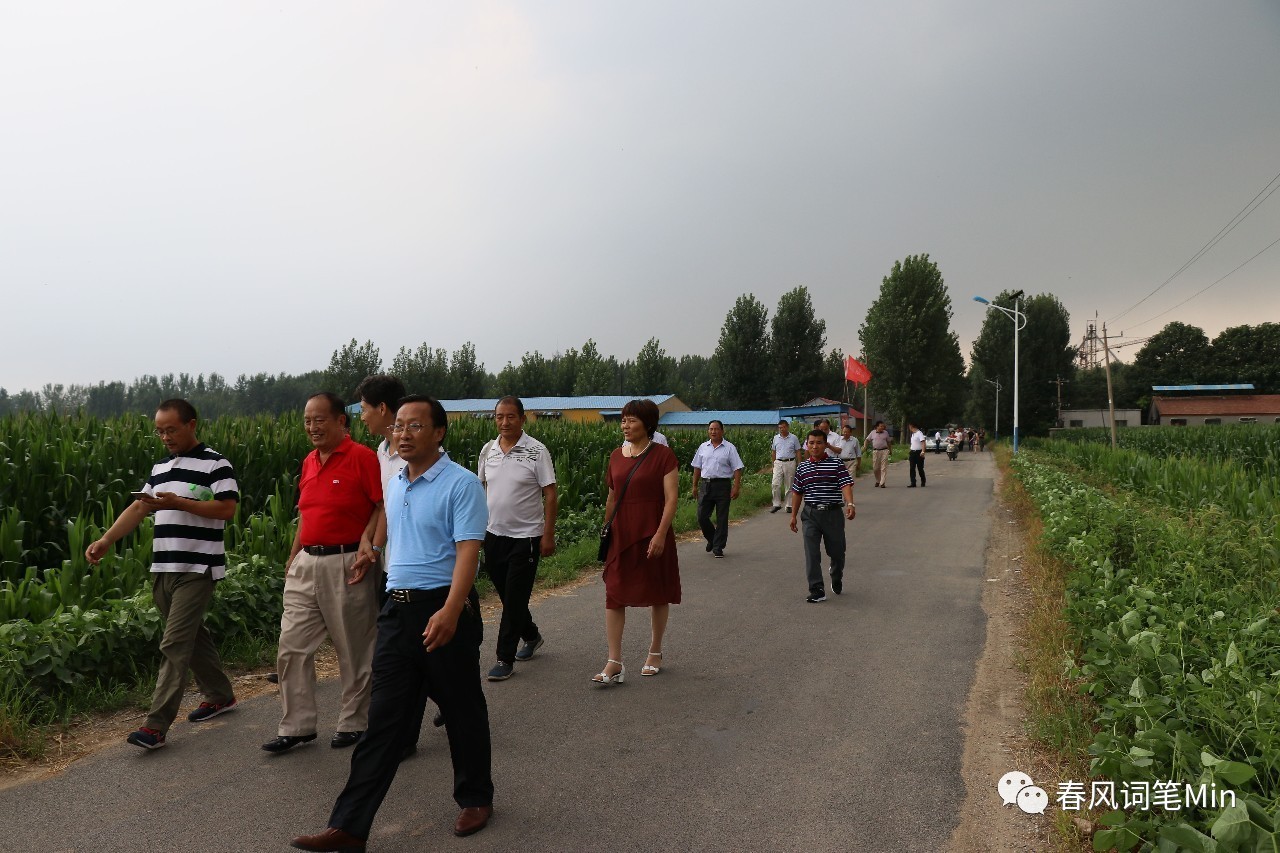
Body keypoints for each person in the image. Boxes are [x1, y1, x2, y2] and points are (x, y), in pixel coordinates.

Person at [291, 395, 494, 850]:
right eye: (399, 426)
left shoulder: (461, 485)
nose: (403, 434)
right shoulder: (398, 481)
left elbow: (468, 552)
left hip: (443, 608)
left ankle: (476, 798)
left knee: (461, 709)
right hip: (396, 609)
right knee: (382, 721)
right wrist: (372, 553)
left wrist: (451, 609)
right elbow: (393, 531)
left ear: (439, 432)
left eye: (415, 426)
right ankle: (349, 826)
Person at [86, 399, 239, 750]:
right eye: (160, 431)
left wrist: (179, 503)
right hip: (164, 567)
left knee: (173, 643)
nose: (165, 437)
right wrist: (107, 539)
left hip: (198, 567)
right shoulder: (161, 467)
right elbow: (141, 505)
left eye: (171, 429)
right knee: (190, 636)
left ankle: (155, 726)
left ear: (191, 425)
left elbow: (227, 509)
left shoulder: (216, 463)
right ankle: (219, 695)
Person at [265, 393, 382, 754]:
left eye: (319, 420)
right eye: (307, 421)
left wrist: (370, 546)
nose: (312, 427)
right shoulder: (309, 461)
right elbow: (306, 512)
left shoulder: (362, 458)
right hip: (306, 563)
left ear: (340, 422)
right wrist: (294, 552)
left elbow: (382, 506)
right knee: (292, 645)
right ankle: (297, 725)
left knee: (354, 648)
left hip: (347, 562)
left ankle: (355, 721)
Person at [593, 399, 680, 686]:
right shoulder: (616, 455)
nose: (625, 425)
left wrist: (659, 534)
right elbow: (612, 496)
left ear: (647, 423)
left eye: (631, 420)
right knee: (614, 593)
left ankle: (655, 652)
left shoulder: (663, 455)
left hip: (651, 530)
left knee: (657, 591)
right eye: (623, 420)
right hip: (622, 532)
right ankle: (614, 660)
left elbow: (671, 500)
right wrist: (606, 527)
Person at [477, 396, 558, 681]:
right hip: (493, 534)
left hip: (527, 537)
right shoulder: (488, 450)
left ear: (522, 419)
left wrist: (548, 535)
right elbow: (482, 490)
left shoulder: (537, 451)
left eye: (511, 416)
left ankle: (504, 657)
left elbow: (550, 494)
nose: (504, 422)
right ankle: (532, 635)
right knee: (508, 596)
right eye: (499, 416)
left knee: (513, 600)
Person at [789, 430, 855, 603]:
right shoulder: (802, 467)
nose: (814, 446)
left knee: (837, 552)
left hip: (833, 514)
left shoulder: (836, 464)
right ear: (807, 445)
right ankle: (817, 589)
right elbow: (797, 493)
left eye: (819, 442)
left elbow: (846, 484)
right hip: (810, 514)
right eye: (811, 443)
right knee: (811, 552)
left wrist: (850, 503)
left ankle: (836, 574)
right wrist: (793, 516)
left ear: (825, 444)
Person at [689, 420, 744, 557]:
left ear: (722, 431)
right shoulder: (703, 447)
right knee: (702, 516)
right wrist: (694, 485)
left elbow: (737, 468)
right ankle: (712, 539)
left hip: (723, 486)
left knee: (721, 517)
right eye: (711, 429)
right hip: (706, 485)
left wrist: (736, 487)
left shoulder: (729, 448)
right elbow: (697, 467)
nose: (713, 432)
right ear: (708, 431)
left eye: (716, 429)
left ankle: (718, 547)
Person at [770, 419, 801, 514]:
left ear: (787, 427)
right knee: (775, 483)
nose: (781, 429)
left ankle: (789, 505)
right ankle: (776, 504)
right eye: (780, 428)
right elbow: (773, 451)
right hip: (778, 462)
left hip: (790, 462)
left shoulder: (793, 438)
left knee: (789, 484)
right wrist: (773, 463)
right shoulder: (776, 438)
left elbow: (798, 451)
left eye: (783, 427)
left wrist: (799, 464)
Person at [867, 421, 893, 488]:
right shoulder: (872, 432)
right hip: (876, 451)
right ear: (877, 426)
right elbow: (867, 440)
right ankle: (878, 480)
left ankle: (882, 482)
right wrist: (864, 446)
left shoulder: (886, 433)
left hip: (884, 451)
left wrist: (890, 450)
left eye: (883, 426)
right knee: (875, 468)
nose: (882, 427)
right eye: (881, 426)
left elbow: (889, 442)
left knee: (883, 467)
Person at [907, 422, 927, 488]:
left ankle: (923, 480)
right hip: (912, 452)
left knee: (920, 468)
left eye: (909, 426)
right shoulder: (913, 434)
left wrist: (923, 451)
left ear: (912, 426)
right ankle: (913, 482)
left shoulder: (919, 433)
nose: (909, 428)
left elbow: (923, 442)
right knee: (912, 468)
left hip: (919, 452)